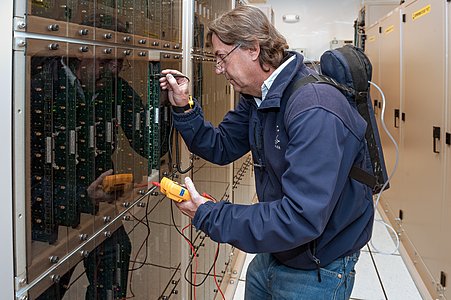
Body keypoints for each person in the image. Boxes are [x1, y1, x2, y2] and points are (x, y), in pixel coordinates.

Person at [159, 5, 374, 300]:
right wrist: (184, 106)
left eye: (222, 57)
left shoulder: (314, 108)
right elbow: (221, 146)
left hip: (317, 265)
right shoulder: (259, 96)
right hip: (277, 251)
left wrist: (210, 215)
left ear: (252, 49)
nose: (218, 69)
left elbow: (301, 217)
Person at [32, 50, 147, 299]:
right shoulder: (39, 88)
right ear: (79, 55)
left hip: (96, 209)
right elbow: (21, 178)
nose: (114, 69)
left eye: (120, 62)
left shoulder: (112, 85)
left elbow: (147, 142)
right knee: (46, 285)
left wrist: (173, 105)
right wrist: (79, 195)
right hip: (48, 216)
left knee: (116, 252)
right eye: (106, 61)